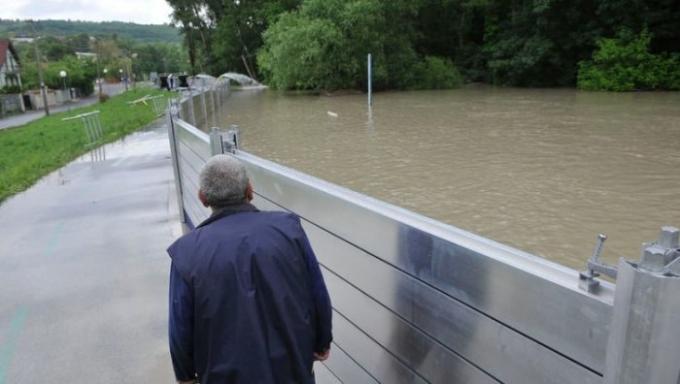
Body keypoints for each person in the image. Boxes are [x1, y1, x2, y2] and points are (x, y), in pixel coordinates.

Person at [167, 154, 333, 384]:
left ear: (202, 198)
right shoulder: (289, 229)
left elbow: (180, 327)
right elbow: (317, 292)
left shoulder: (186, 253)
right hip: (292, 371)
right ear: (250, 190)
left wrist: (185, 376)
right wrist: (322, 341)